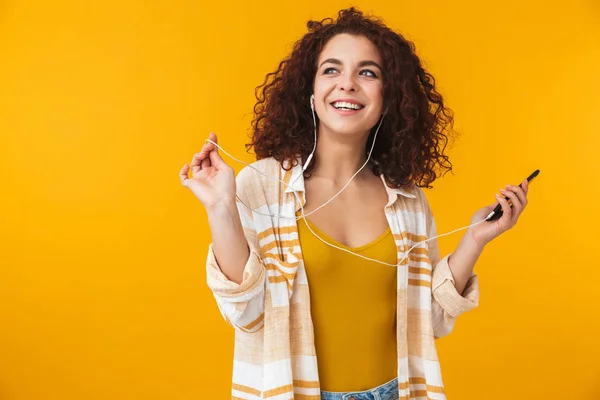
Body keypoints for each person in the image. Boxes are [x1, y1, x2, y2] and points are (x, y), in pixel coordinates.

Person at [180, 7, 530, 400]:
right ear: (310, 94)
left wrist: (475, 240)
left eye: (367, 72)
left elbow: (427, 321)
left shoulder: (408, 200)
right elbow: (246, 315)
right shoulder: (260, 185)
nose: (347, 84)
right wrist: (220, 207)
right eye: (331, 70)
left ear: (388, 97)